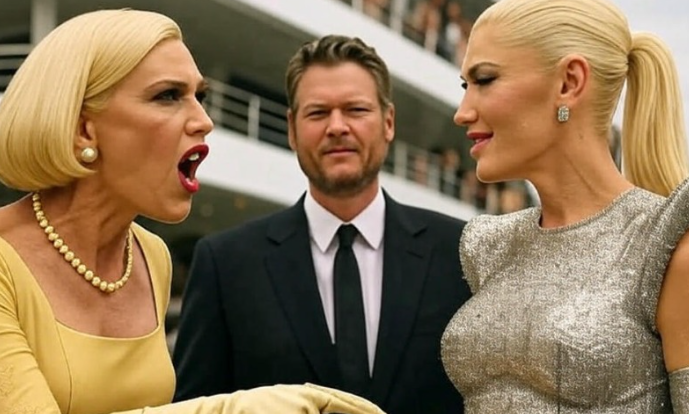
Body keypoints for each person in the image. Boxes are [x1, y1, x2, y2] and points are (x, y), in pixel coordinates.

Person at [0, 10, 385, 414]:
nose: (204, 121)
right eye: (168, 95)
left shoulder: (150, 257)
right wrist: (240, 409)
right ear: (84, 130)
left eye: (199, 97)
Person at [172, 35, 471, 414]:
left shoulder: (458, 252)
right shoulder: (226, 263)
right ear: (292, 129)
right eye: (317, 113)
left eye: (356, 110)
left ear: (388, 122)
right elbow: (196, 407)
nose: (337, 126)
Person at [439, 0, 689, 411]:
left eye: (484, 80)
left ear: (569, 82)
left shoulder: (666, 244)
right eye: (465, 86)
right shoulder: (489, 246)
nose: (462, 113)